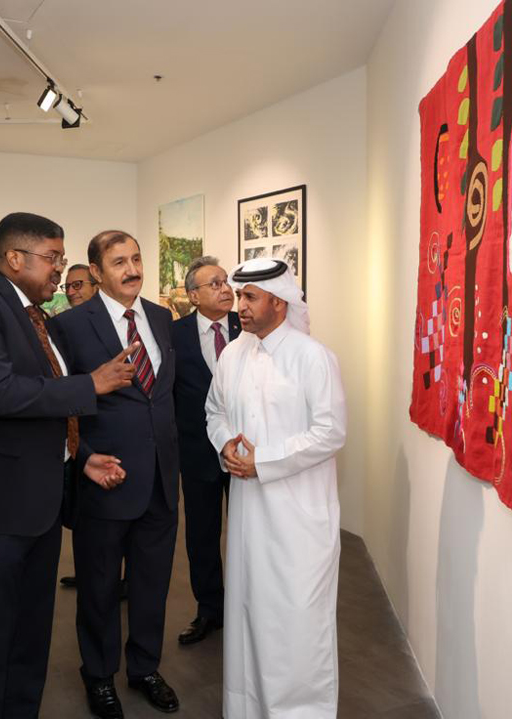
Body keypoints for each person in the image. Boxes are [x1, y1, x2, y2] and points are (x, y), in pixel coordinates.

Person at [0, 213, 134, 719]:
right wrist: (91, 384)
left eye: (62, 258)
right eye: (53, 257)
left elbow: (46, 412)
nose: (59, 269)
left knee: (29, 642)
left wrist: (82, 457)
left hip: (42, 505)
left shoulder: (34, 315)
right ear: (15, 258)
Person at [205, 257, 347, 719]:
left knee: (297, 618)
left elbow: (330, 432)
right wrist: (226, 442)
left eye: (249, 297)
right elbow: (215, 410)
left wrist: (260, 461)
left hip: (299, 515)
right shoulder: (232, 354)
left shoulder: (313, 357)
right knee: (249, 610)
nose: (238, 305)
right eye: (238, 295)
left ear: (279, 303)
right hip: (249, 514)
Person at [48, 230, 180, 718]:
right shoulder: (70, 326)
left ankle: (145, 667)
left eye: (137, 258)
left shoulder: (163, 318)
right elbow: (59, 405)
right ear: (97, 272)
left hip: (162, 480)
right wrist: (84, 460)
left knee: (152, 585)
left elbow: (164, 397)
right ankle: (98, 675)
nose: (132, 268)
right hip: (105, 479)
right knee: (100, 589)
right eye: (119, 261)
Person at [170, 256, 240, 645]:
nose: (225, 289)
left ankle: (251, 606)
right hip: (197, 452)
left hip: (245, 452)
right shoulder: (173, 334)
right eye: (214, 284)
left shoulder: (246, 327)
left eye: (226, 281)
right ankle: (210, 610)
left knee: (249, 532)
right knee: (202, 535)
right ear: (193, 295)